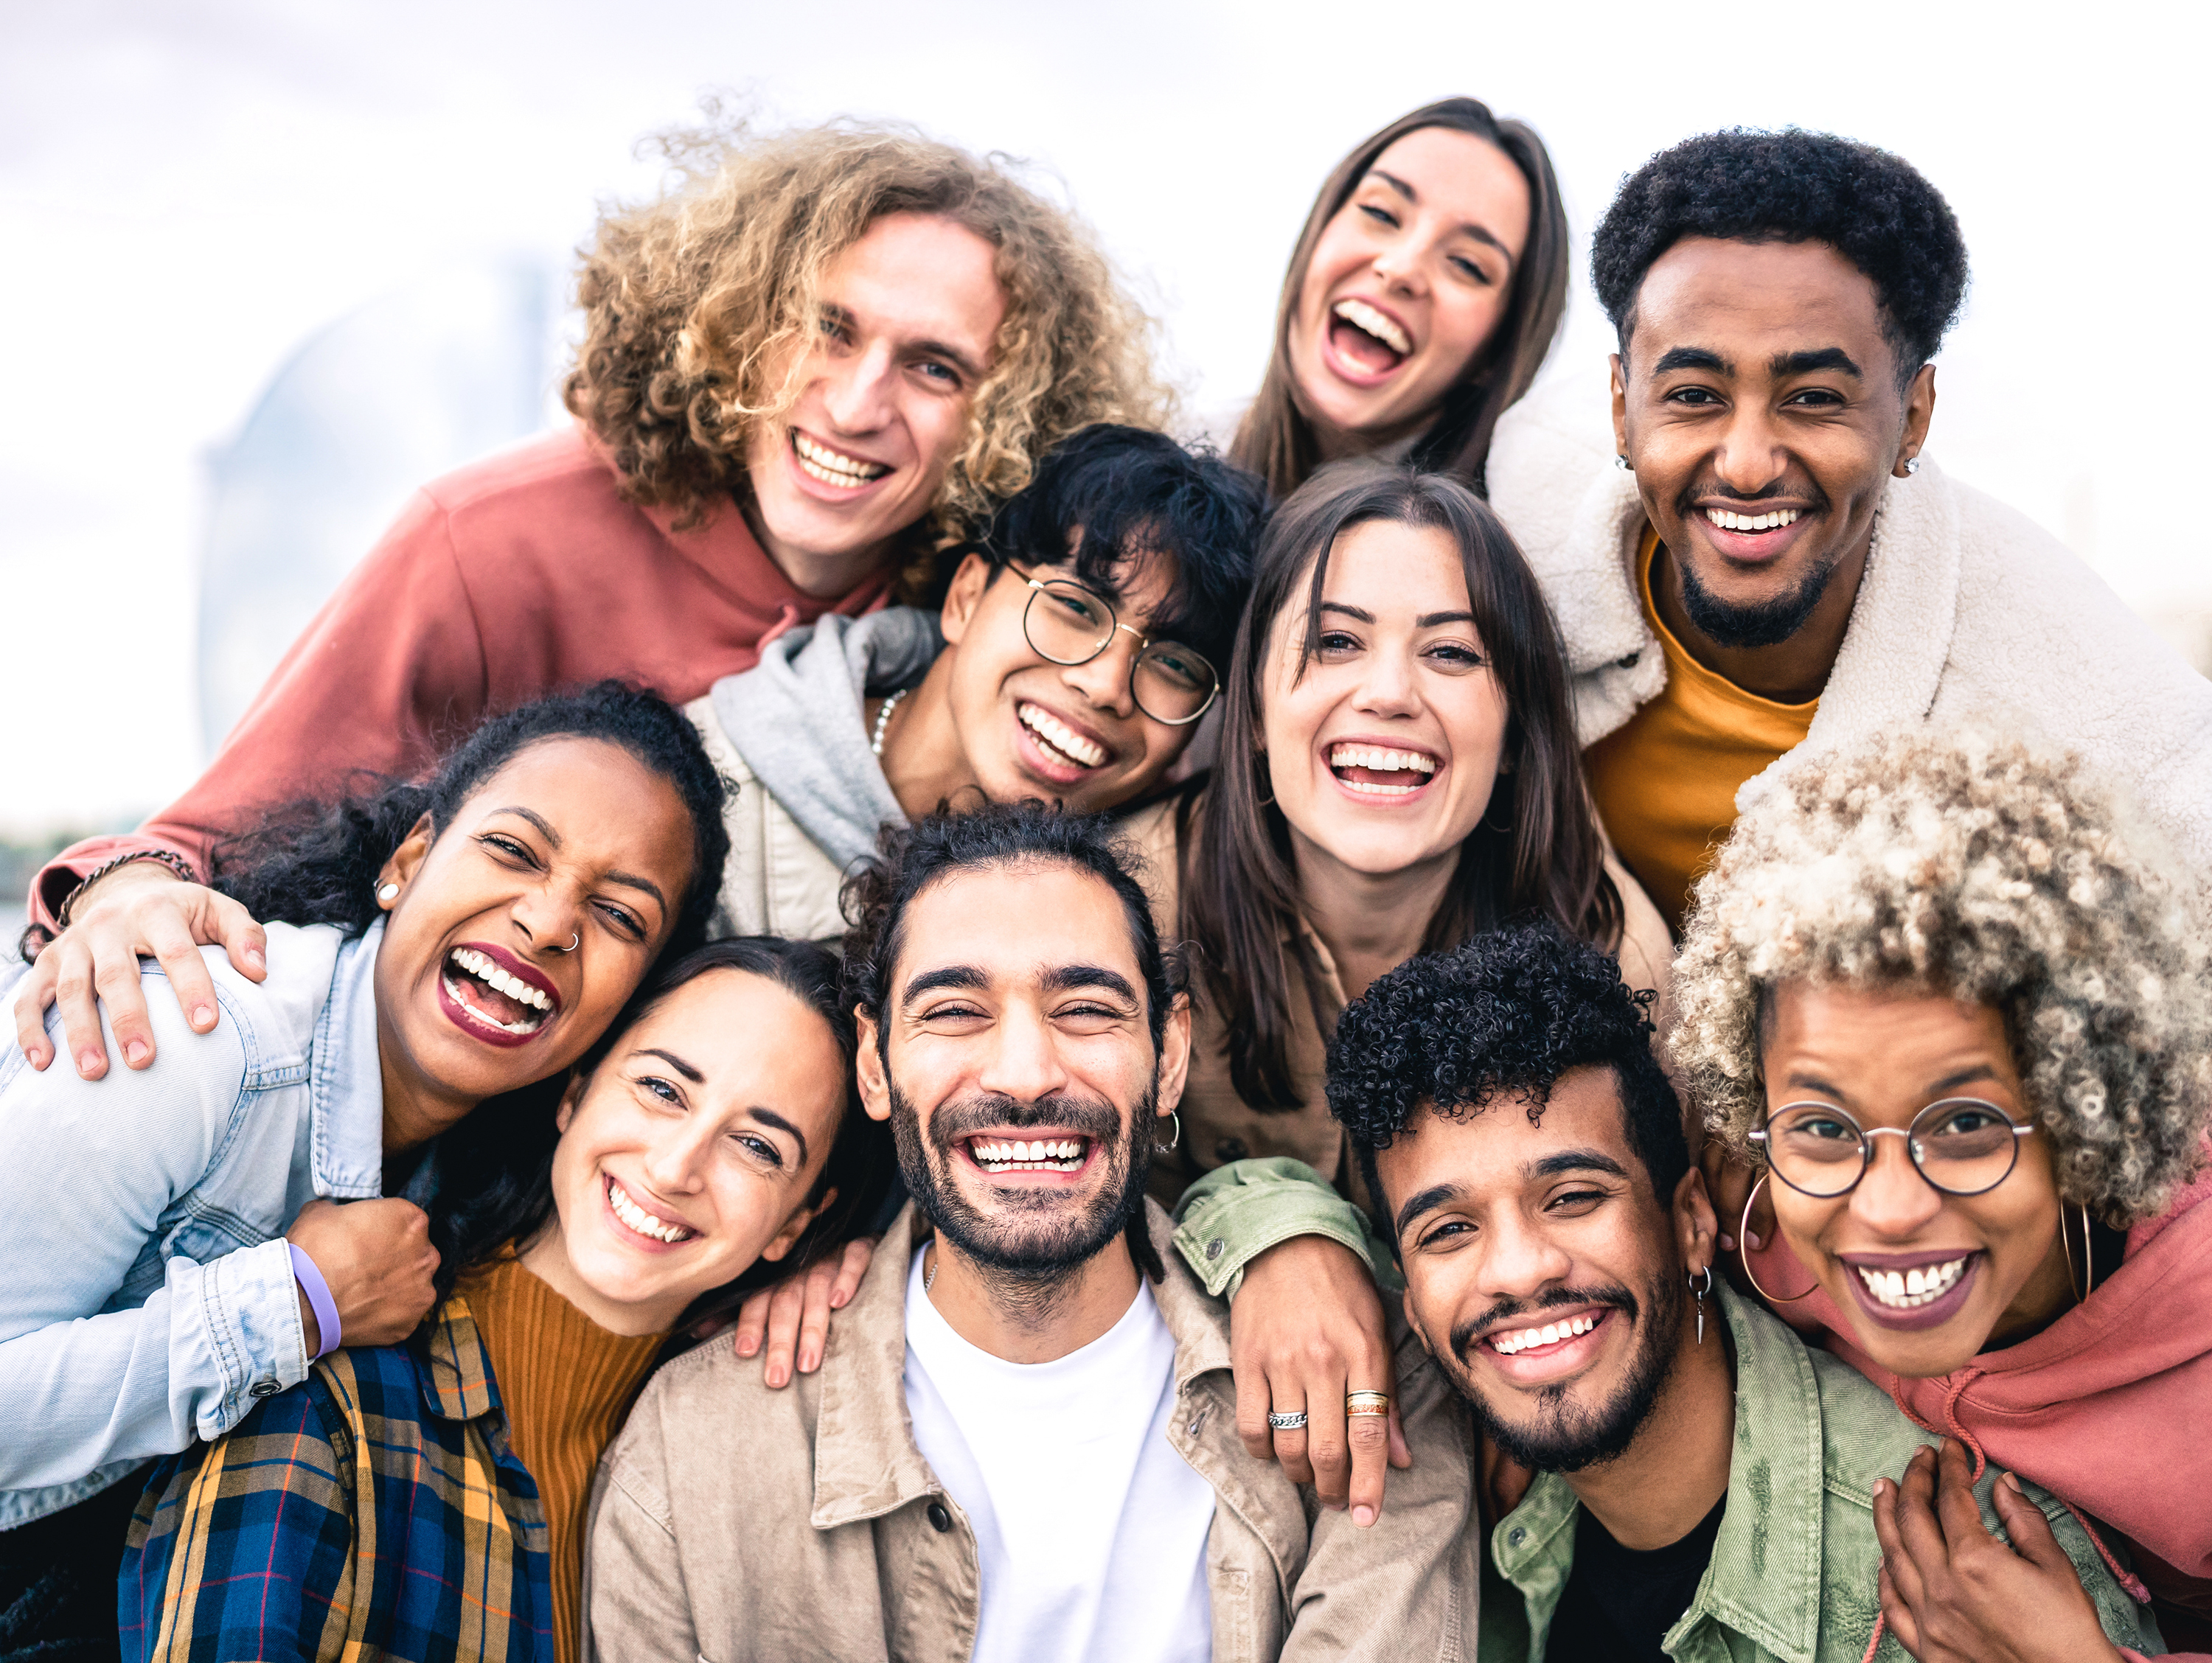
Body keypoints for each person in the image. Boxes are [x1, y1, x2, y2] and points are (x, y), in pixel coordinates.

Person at [16, 114, 1166, 1083]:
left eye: (935, 367)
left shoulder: (974, 618)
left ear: (1003, 416)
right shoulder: (494, 538)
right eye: (827, 327)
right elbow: (212, 843)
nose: (858, 403)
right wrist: (124, 893)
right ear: (735, 320)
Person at [585, 804, 1472, 1662]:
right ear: (873, 1062)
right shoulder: (693, 1444)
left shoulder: (1365, 1379)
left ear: (1167, 1056)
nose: (1022, 1074)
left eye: (1086, 1008)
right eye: (954, 1011)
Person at [0, 683, 727, 1656]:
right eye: (513, 851)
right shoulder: (195, 1036)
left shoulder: (484, 1171)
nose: (551, 922)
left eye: (620, 915)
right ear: (408, 862)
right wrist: (293, 1305)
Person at [1326, 923, 2161, 1662]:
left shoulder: (1967, 1586)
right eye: (1448, 1232)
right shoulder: (1438, 1463)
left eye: (1574, 1197)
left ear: (1693, 1221)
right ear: (1412, 1307)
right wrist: (1279, 1234)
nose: (1516, 1271)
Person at [1473, 127, 2212, 935]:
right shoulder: (1517, 509)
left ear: (1914, 420)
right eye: (1693, 394)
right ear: (1620, 406)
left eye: (1815, 397)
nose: (1748, 464)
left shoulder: (2086, 710)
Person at [1116, 459, 1669, 1520]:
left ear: (1515, 730)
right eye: (1334, 641)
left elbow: (1675, 1258)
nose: (1387, 692)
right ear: (1256, 699)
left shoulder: (1610, 957)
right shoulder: (1133, 908)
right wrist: (1269, 1227)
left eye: (1452, 653)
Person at [120, 935, 893, 1663]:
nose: (676, 1167)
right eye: (661, 1089)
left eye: (758, 1147)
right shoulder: (327, 1403)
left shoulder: (738, 1464)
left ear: (795, 1222)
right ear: (576, 1092)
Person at [1669, 728, 2212, 1654]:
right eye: (1827, 1126)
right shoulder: (1763, 1229)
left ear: (2085, 1112)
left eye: (1964, 1125)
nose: (1885, 1211)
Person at [692, 422, 1264, 944]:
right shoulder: (697, 794)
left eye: (1177, 666)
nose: (1106, 685)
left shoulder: (1147, 925)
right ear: (966, 597)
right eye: (1073, 606)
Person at [1229, 99, 1568, 499]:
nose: (1402, 268)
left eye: (1467, 265)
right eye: (1382, 213)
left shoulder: (1513, 538)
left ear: (1496, 352)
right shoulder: (1163, 460)